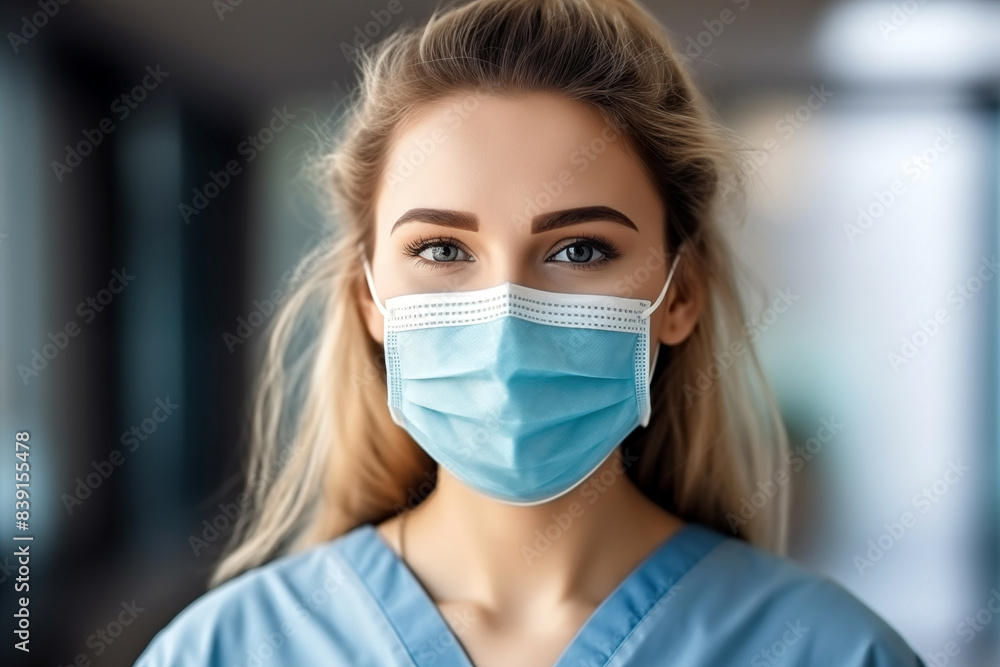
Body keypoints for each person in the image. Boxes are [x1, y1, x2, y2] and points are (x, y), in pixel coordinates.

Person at [134, 0, 927, 665]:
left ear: (678, 296)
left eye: (579, 249)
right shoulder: (221, 650)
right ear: (369, 299)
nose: (504, 313)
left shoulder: (831, 650)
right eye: (442, 249)